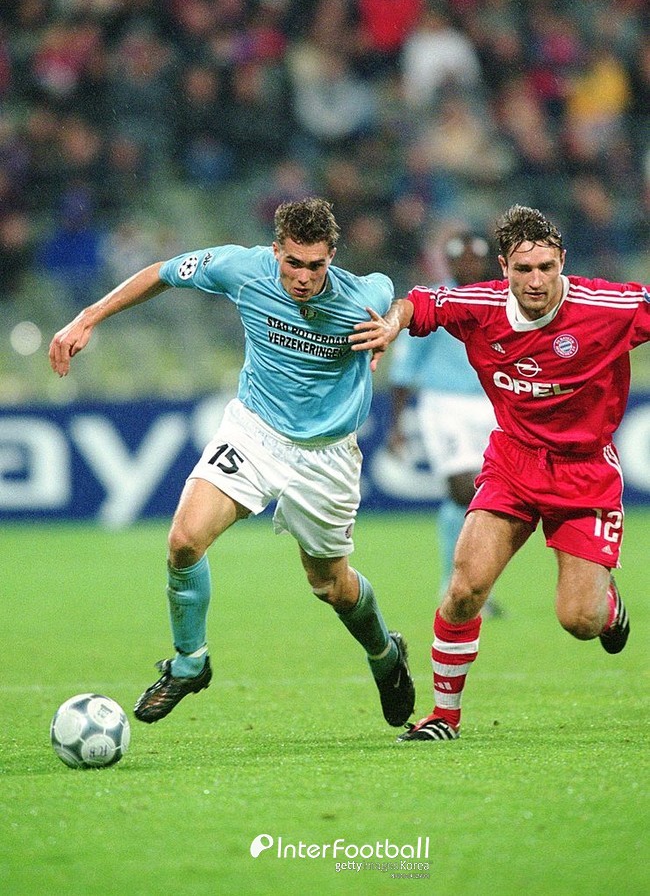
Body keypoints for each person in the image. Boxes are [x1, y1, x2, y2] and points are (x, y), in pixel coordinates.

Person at [49, 197, 415, 729]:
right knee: (183, 541)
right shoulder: (241, 268)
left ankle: (385, 654)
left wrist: (391, 327)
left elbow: (400, 299)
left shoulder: (362, 294)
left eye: (316, 265)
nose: (304, 277)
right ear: (276, 251)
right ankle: (190, 662)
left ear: (332, 256)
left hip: (327, 454)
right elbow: (162, 272)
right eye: (293, 262)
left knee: (331, 585)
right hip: (254, 431)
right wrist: (88, 317)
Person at [350, 203, 647, 742]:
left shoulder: (608, 306)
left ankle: (606, 605)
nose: (536, 281)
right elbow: (416, 304)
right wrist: (390, 326)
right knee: (465, 587)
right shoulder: (479, 307)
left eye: (547, 269)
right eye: (523, 270)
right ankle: (444, 717)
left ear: (563, 264)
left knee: (578, 619)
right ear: (504, 269)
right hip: (514, 462)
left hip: (585, 473)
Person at [387, 230, 503, 617]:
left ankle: (471, 586)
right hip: (443, 404)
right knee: (462, 489)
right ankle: (454, 583)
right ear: (451, 264)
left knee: (488, 497)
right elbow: (405, 368)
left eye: (476, 259)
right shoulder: (436, 302)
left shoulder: (506, 300)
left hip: (493, 403)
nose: (469, 265)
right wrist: (396, 424)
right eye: (461, 260)